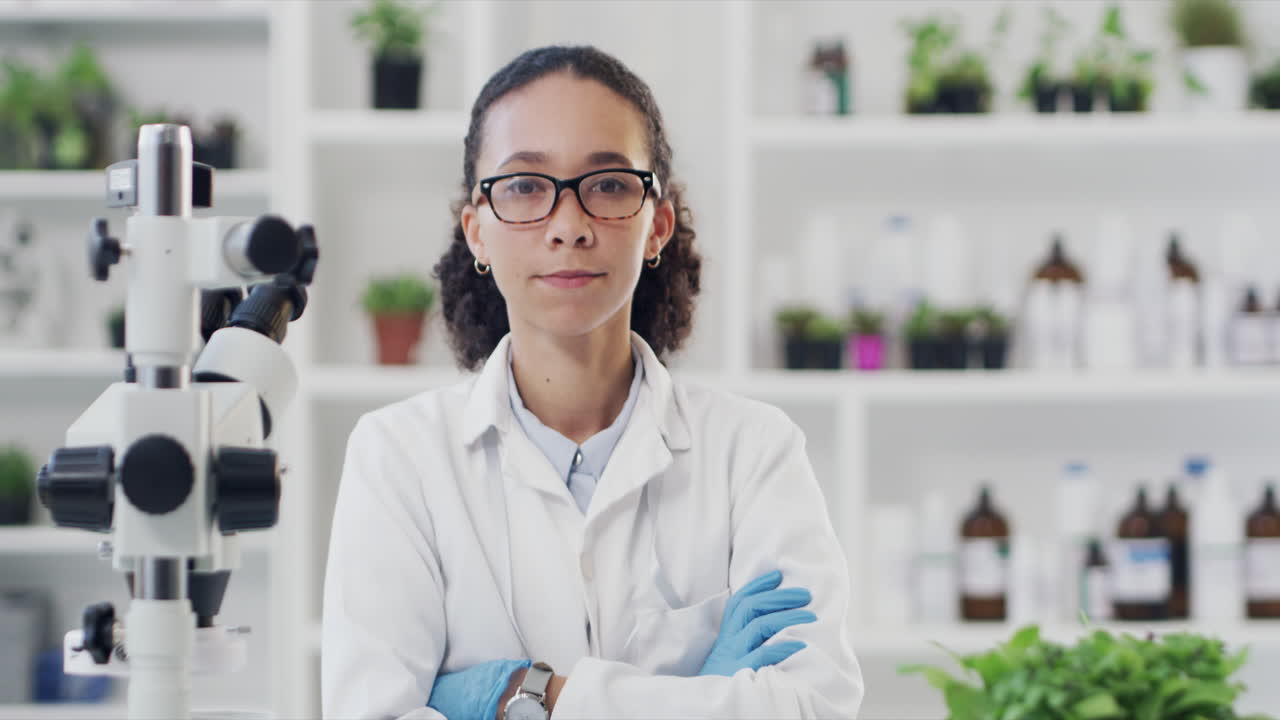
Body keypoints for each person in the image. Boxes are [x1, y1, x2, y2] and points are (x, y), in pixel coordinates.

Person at [322, 45, 863, 720]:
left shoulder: (754, 452)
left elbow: (814, 706)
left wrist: (531, 697)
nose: (569, 227)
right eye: (524, 187)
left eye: (608, 185)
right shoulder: (397, 455)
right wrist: (700, 698)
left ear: (656, 225)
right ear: (478, 232)